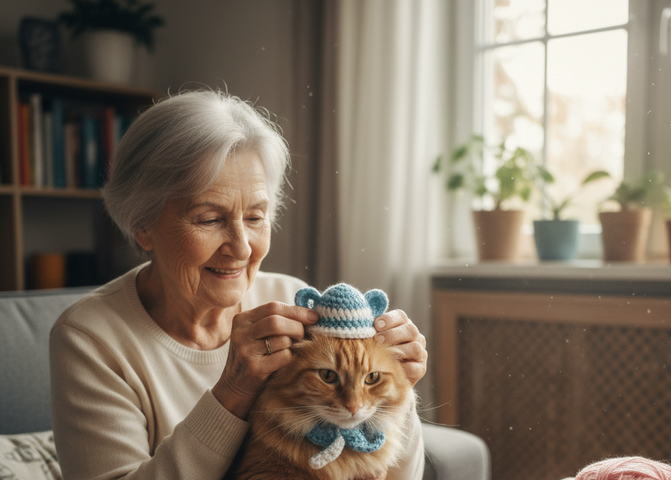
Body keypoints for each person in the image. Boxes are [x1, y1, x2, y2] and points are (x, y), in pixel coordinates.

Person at [49, 90, 428, 480]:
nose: (242, 248)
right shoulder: (89, 338)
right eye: (209, 219)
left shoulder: (291, 301)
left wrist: (400, 387)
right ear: (142, 226)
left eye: (255, 217)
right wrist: (231, 393)